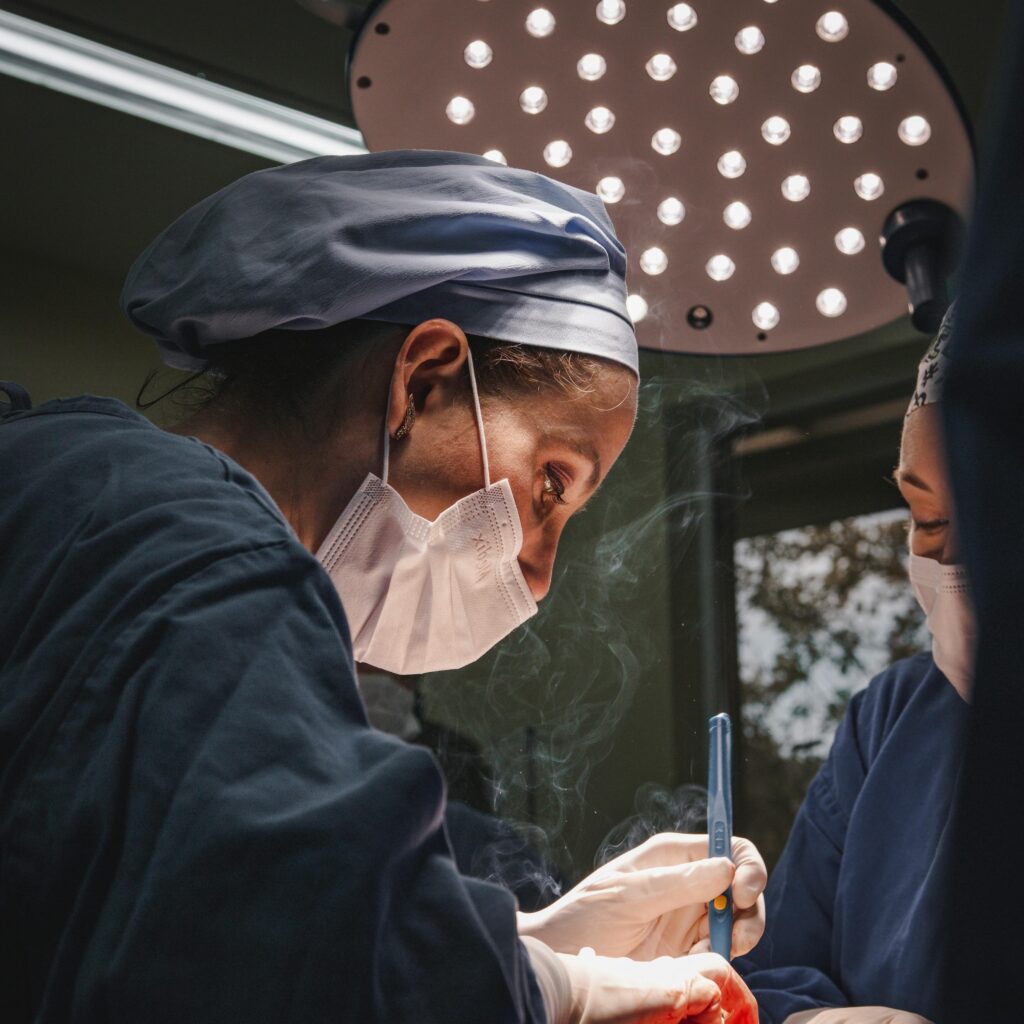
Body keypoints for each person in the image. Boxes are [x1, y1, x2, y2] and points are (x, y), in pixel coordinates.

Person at [0, 151, 764, 1023]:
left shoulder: (74, 488)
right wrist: (555, 988)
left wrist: (533, 940)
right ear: (425, 379)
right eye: (552, 484)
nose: (542, 577)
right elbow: (287, 967)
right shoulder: (205, 564)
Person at [736, 308, 970, 1024]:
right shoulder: (892, 722)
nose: (935, 560)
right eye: (923, 519)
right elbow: (779, 972)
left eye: (990, 511)